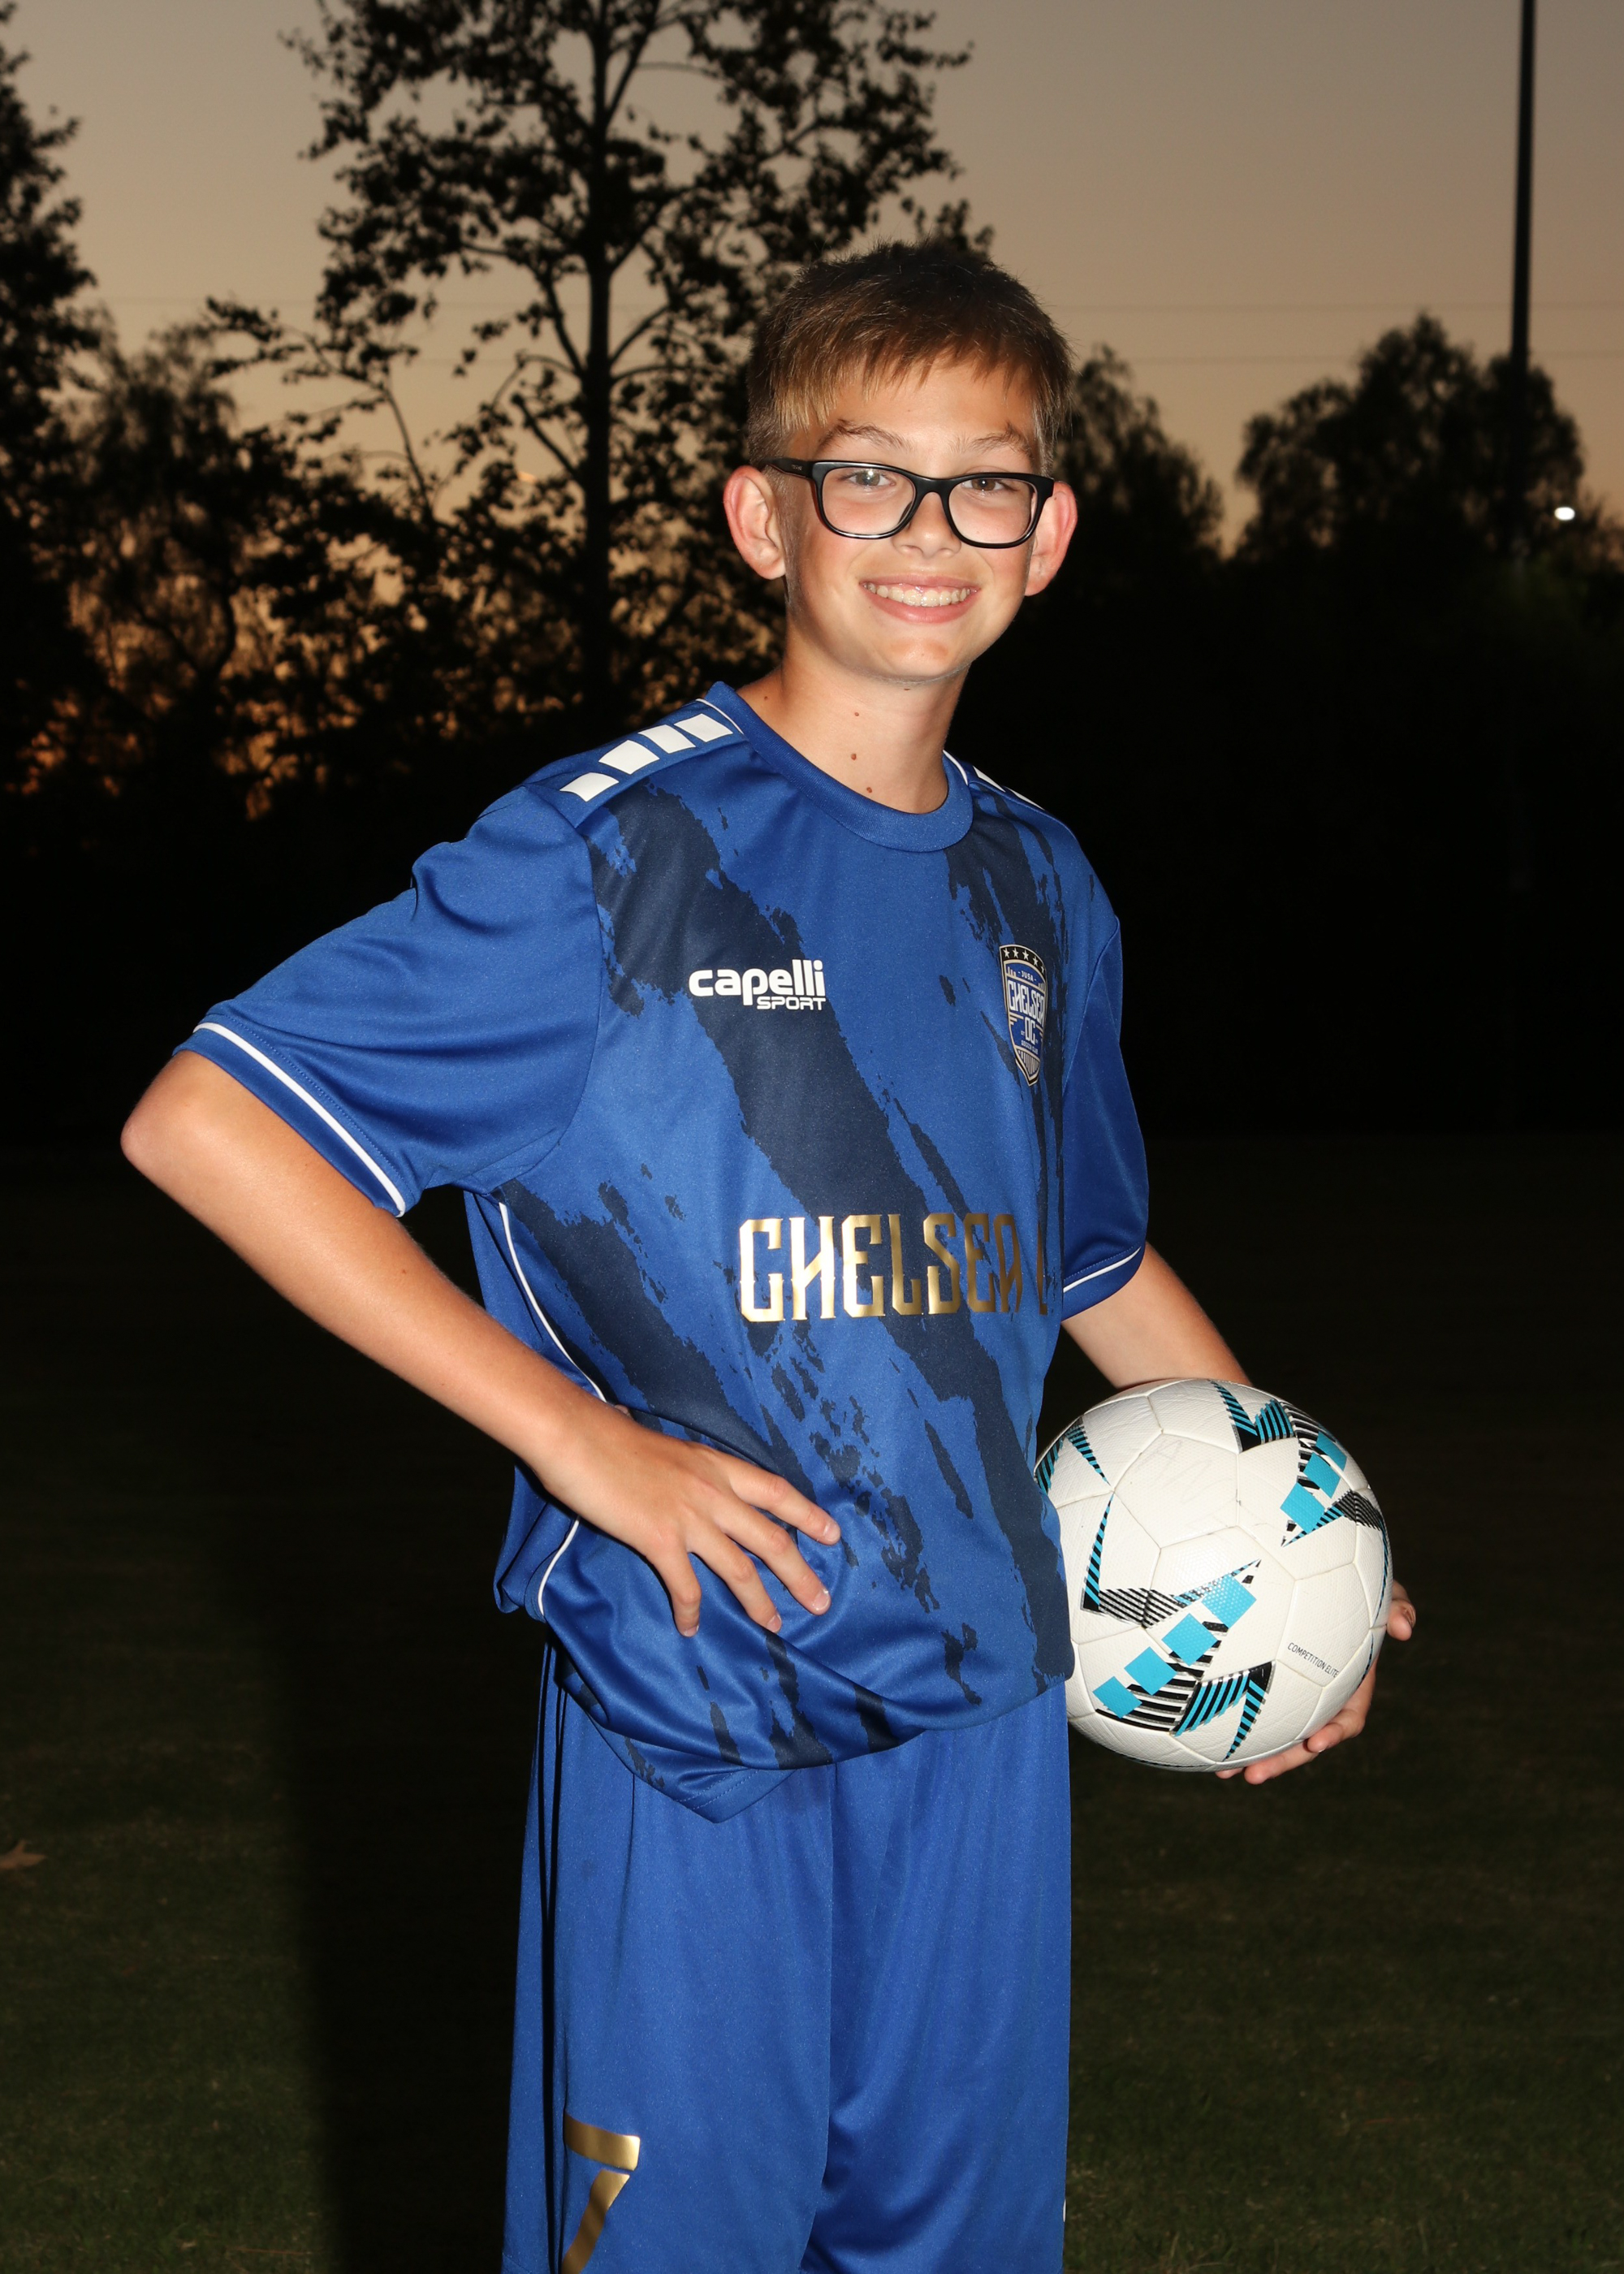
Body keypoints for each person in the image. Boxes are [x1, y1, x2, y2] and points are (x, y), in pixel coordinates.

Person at [123, 241, 1413, 2274]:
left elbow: (1088, 1258)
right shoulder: (608, 855)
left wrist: (1301, 1542)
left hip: (985, 1714)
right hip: (700, 1700)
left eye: (983, 484)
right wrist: (579, 1443)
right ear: (763, 516)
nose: (928, 532)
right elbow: (209, 1123)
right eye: (867, 477)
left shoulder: (1037, 882)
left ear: (1049, 532)